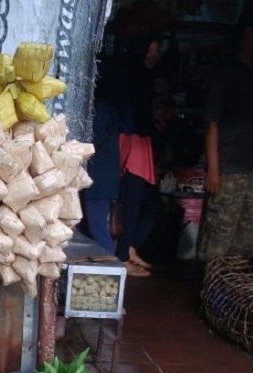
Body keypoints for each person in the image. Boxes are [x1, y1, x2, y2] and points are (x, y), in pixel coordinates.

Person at [197, 8, 253, 262]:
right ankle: (210, 284)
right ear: (249, 33)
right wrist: (213, 168)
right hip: (228, 168)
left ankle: (236, 287)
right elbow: (212, 122)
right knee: (218, 238)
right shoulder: (225, 71)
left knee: (248, 241)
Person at [115, 37, 164, 277]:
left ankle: (129, 249)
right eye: (150, 50)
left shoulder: (143, 77)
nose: (155, 55)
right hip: (133, 142)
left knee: (147, 203)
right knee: (133, 204)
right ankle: (123, 257)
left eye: (157, 51)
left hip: (138, 143)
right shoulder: (135, 77)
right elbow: (137, 116)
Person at [81, 54, 128, 255]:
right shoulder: (109, 107)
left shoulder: (101, 109)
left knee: (98, 231)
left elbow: (93, 142)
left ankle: (110, 268)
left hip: (98, 181)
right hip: (101, 180)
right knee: (93, 229)